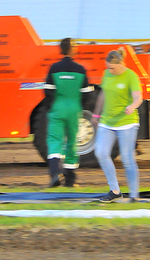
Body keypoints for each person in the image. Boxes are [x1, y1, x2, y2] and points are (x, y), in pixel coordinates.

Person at [92, 47, 143, 203]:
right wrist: (96, 113)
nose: (110, 70)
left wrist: (133, 106)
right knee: (100, 153)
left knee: (127, 159)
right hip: (107, 122)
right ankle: (115, 191)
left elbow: (138, 96)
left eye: (112, 68)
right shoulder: (107, 73)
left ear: (121, 64)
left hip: (126, 122)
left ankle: (134, 195)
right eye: (108, 67)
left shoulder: (131, 76)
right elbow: (103, 93)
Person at [43, 38, 92, 188]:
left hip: (58, 108)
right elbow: (87, 93)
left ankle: (54, 174)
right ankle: (70, 180)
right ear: (72, 49)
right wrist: (79, 106)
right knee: (72, 142)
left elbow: (48, 91)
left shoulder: (54, 68)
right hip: (74, 109)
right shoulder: (80, 69)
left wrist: (52, 106)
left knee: (54, 141)